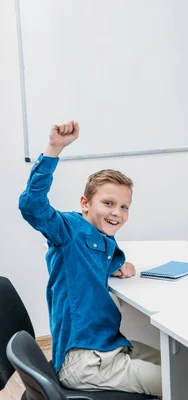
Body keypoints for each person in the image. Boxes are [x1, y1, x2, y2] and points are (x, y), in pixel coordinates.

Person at [18, 121, 162, 396]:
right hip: (85, 362)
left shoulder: (101, 238)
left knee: (179, 362)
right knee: (177, 380)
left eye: (124, 207)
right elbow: (31, 206)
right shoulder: (69, 231)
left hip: (108, 345)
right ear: (85, 204)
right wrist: (54, 148)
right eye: (107, 203)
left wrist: (118, 265)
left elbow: (96, 259)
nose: (117, 213)